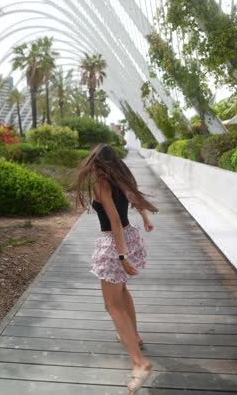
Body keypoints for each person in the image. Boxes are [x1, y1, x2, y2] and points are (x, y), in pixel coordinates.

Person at [75, 144, 159, 394]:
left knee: (111, 305)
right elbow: (135, 199)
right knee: (121, 292)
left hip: (115, 242)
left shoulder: (102, 183)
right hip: (130, 237)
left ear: (97, 162)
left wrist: (120, 256)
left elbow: (114, 222)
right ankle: (135, 337)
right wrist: (145, 218)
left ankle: (139, 363)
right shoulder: (122, 178)